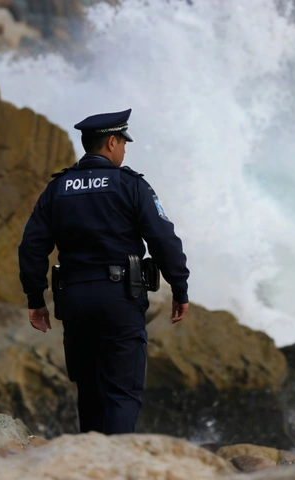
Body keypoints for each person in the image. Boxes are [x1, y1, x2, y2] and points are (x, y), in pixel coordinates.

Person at [18, 108, 190, 435]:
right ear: (111, 142)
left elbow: (31, 246)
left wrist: (35, 298)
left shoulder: (58, 189)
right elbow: (163, 239)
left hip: (75, 300)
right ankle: (116, 467)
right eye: (123, 142)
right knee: (122, 392)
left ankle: (91, 464)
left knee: (90, 389)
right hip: (120, 298)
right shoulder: (131, 186)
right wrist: (179, 288)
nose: (124, 150)